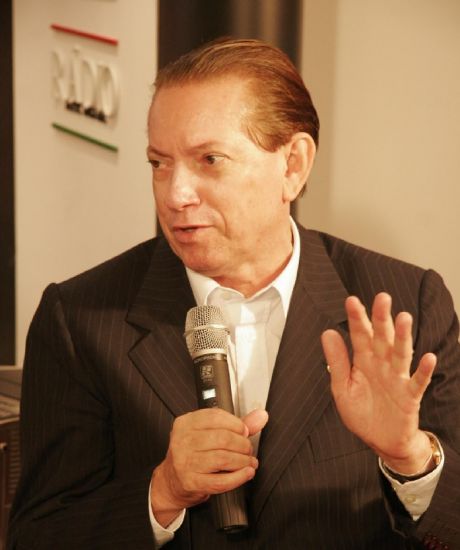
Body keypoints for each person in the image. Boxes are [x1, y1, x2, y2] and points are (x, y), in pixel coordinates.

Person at [8, 38, 460, 549]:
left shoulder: (407, 303)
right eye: (159, 163)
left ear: (293, 165)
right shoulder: (79, 318)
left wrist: (410, 459)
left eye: (209, 159)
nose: (175, 194)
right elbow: (36, 537)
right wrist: (162, 493)